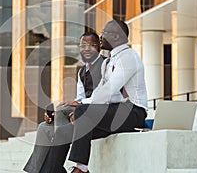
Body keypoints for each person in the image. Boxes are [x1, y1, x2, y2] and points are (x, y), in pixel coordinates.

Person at [39, 19, 148, 173]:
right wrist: (83, 107)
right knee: (62, 132)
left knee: (83, 111)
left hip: (134, 113)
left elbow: (110, 90)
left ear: (116, 37)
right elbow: (110, 95)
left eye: (104, 33)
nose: (100, 36)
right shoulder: (109, 62)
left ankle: (81, 168)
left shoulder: (128, 57)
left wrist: (83, 108)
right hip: (114, 112)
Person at [23, 31, 106, 173]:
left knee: (63, 111)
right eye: (83, 45)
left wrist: (77, 105)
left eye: (91, 45)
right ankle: (34, 170)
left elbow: (105, 96)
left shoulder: (106, 65)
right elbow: (80, 99)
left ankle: (56, 166)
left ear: (99, 47)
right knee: (45, 126)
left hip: (99, 112)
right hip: (83, 108)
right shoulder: (82, 71)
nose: (86, 48)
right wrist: (56, 115)